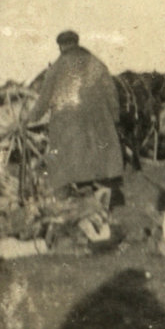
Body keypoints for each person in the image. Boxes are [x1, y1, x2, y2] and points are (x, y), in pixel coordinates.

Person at [24, 31, 124, 203]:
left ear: (61, 46)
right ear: (76, 43)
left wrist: (29, 119)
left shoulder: (56, 67)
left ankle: (69, 195)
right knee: (99, 158)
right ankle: (102, 191)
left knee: (67, 160)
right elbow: (111, 92)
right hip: (99, 122)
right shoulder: (96, 63)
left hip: (68, 124)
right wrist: (114, 117)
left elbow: (43, 100)